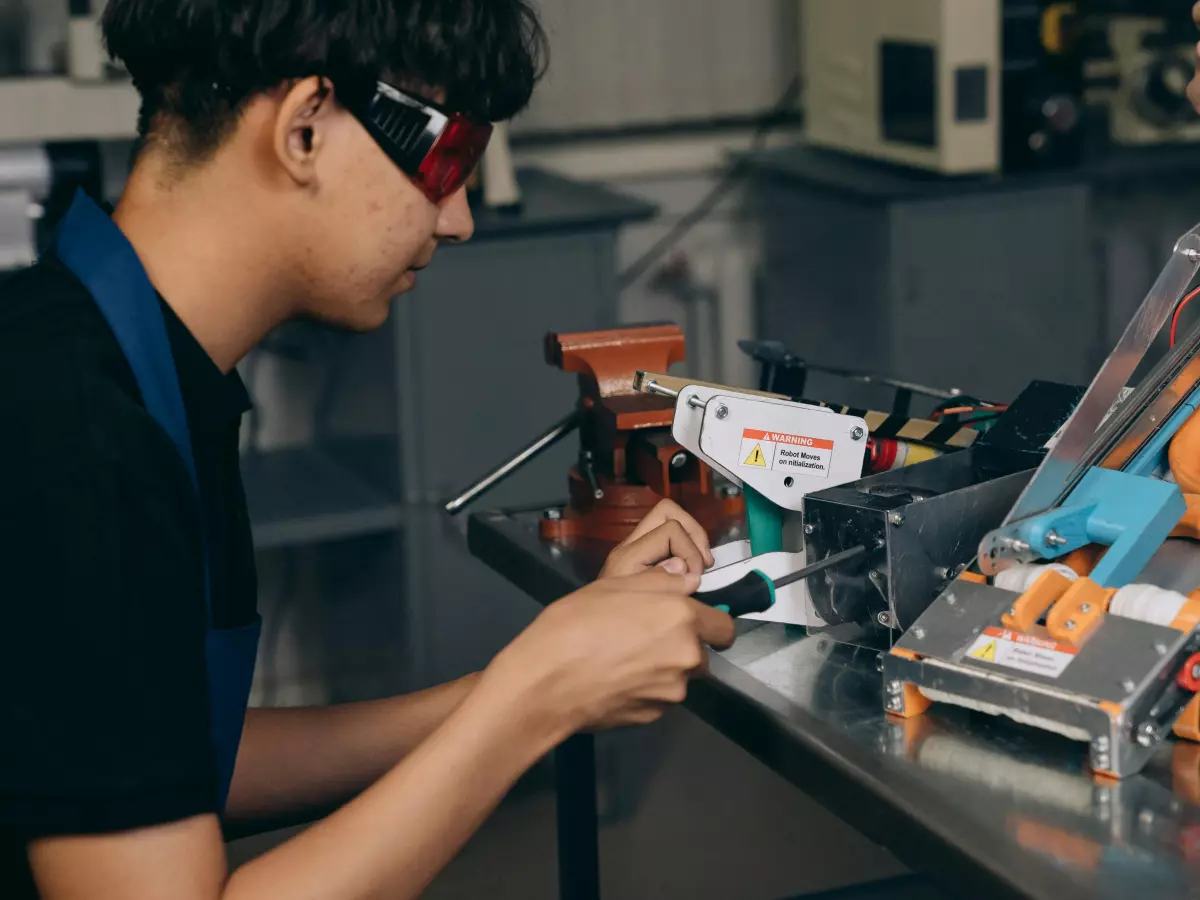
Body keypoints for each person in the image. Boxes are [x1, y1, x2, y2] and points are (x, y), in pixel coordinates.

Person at [0, 2, 736, 897]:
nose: (460, 217)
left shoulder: (128, 365)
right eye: (449, 158)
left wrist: (537, 672)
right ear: (306, 128)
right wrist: (533, 701)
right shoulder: (76, 432)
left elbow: (163, 755)